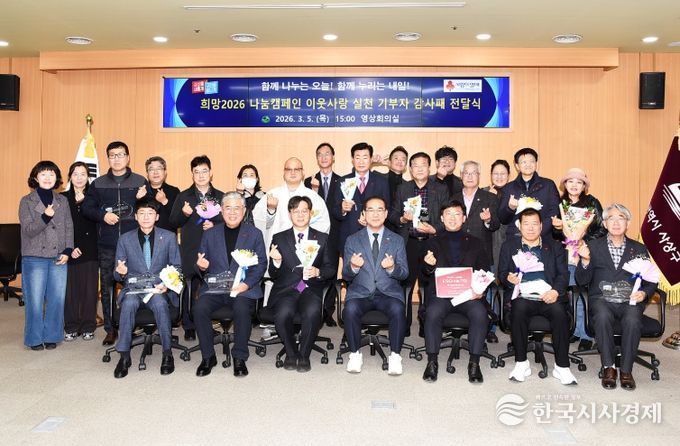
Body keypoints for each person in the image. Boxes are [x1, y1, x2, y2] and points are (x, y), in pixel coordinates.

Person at [575, 203, 657, 391]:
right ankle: (609, 367)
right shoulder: (593, 246)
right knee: (602, 315)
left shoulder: (639, 249)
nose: (616, 222)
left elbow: (651, 280)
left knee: (633, 319)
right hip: (602, 299)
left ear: (628, 223)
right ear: (604, 224)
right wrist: (585, 261)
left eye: (621, 218)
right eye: (611, 218)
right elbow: (581, 280)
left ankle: (626, 371)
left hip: (630, 300)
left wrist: (644, 293)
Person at [499, 207, 578, 385]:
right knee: (518, 308)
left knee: (559, 313)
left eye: (535, 224)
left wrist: (555, 291)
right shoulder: (509, 246)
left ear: (541, 226)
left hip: (548, 295)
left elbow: (563, 275)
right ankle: (521, 363)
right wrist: (509, 279)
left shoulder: (555, 246)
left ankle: (562, 367)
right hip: (523, 295)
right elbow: (502, 273)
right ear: (519, 226)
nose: (531, 228)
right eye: (526, 224)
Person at [193, 192, 267, 378]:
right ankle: (208, 357)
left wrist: (246, 284)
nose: (232, 212)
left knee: (242, 308)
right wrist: (201, 267)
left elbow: (261, 264)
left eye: (236, 208)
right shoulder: (210, 234)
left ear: (244, 210)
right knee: (199, 308)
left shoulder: (254, 234)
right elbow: (201, 263)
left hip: (242, 289)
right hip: (216, 289)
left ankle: (239, 357)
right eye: (228, 208)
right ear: (221, 211)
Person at [81, 141, 147, 346]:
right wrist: (103, 216)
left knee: (134, 285)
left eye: (120, 155)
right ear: (108, 158)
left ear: (128, 157)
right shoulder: (98, 183)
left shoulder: (139, 181)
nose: (116, 159)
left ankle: (132, 326)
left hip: (134, 244)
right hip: (107, 245)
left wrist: (142, 199)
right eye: (112, 155)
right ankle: (111, 329)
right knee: (108, 287)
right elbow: (86, 208)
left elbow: (150, 210)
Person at [421, 200, 491, 383]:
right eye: (448, 214)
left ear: (464, 218)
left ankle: (474, 363)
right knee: (433, 312)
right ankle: (432, 361)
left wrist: (480, 290)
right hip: (441, 295)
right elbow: (425, 274)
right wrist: (429, 266)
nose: (452, 218)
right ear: (442, 218)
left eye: (457, 214)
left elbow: (484, 270)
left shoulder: (476, 242)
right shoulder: (432, 242)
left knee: (479, 312)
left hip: (468, 295)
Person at [111, 198, 182, 378]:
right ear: (135, 216)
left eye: (150, 213)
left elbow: (177, 268)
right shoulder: (125, 239)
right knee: (128, 304)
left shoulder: (168, 237)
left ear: (157, 217)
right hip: (134, 288)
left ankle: (167, 353)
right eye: (142, 213)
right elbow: (116, 274)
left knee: (160, 304)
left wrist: (166, 285)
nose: (146, 217)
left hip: (158, 288)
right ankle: (124, 355)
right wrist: (120, 273)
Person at [267, 196, 336, 372]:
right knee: (283, 314)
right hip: (286, 289)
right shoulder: (279, 238)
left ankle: (304, 355)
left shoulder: (323, 238)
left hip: (311, 288)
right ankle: (291, 354)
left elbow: (330, 269)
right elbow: (273, 273)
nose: (300, 215)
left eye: (304, 211)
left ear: (310, 213)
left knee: (312, 312)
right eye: (295, 211)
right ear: (290, 214)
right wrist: (276, 261)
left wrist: (318, 272)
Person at [342, 196, 408, 375]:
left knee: (397, 309)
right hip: (361, 292)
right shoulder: (352, 240)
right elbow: (346, 275)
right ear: (364, 214)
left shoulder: (397, 240)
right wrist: (353, 267)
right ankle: (355, 354)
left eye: (380, 210)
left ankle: (395, 356)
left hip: (388, 293)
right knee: (350, 309)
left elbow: (404, 273)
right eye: (371, 210)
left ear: (386, 214)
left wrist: (392, 268)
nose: (375, 214)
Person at [252, 157, 330, 306]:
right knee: (281, 298)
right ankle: (276, 311)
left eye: (297, 169)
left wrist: (305, 234)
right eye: (289, 169)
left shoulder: (314, 198)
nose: (293, 172)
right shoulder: (272, 195)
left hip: (306, 260)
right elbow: (257, 222)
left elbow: (323, 225)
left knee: (305, 299)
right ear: (284, 172)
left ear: (303, 172)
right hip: (281, 256)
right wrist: (270, 211)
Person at [388, 152, 449, 336]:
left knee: (429, 285)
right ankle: (404, 324)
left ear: (429, 168)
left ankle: (426, 324)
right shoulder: (403, 188)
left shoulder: (440, 189)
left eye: (423, 165)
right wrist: (402, 218)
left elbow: (447, 216)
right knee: (404, 284)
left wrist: (434, 229)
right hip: (409, 243)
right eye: (416, 165)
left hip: (432, 243)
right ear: (410, 169)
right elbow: (392, 214)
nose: (420, 168)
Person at [19, 161, 73, 350]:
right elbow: (28, 230)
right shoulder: (27, 201)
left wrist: (68, 250)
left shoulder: (62, 200)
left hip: (59, 256)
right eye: (43, 174)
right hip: (34, 257)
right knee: (34, 301)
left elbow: (68, 227)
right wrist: (45, 216)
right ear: (35, 178)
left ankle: (52, 336)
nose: (48, 178)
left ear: (57, 178)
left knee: (57, 299)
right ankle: (34, 339)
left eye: (51, 174)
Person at [169, 155, 224, 341]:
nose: (201, 175)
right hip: (191, 248)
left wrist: (215, 225)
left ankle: (207, 325)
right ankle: (189, 326)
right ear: (192, 174)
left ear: (211, 173)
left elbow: (231, 222)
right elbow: (173, 222)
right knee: (189, 287)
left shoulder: (220, 196)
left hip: (215, 249)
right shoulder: (184, 196)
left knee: (211, 287)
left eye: (204, 171)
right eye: (196, 172)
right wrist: (184, 214)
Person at [552, 167, 606, 351]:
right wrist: (557, 228)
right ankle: (574, 328)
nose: (574, 185)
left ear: (584, 186)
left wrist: (583, 240)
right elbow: (555, 235)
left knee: (583, 294)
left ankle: (586, 335)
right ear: (565, 184)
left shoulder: (591, 202)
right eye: (570, 181)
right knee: (568, 294)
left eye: (579, 182)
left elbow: (602, 229)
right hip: (565, 255)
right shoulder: (560, 204)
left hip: (584, 254)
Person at [304, 142, 342, 326]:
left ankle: (328, 311)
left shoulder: (342, 182)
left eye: (327, 153)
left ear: (333, 157)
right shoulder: (307, 182)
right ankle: (312, 308)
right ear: (317, 158)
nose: (324, 157)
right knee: (310, 271)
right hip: (311, 236)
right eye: (320, 154)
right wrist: (314, 191)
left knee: (330, 272)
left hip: (333, 235)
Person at [62, 162, 99, 341]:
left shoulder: (95, 197)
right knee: (70, 292)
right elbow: (60, 227)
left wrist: (84, 202)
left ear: (88, 177)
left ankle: (88, 326)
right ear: (70, 176)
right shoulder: (62, 198)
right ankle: (71, 326)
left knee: (89, 290)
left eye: (83, 174)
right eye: (75, 174)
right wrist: (70, 247)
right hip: (69, 249)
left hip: (91, 247)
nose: (79, 178)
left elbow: (96, 222)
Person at [332, 142, 391, 252]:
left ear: (371, 159)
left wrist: (372, 220)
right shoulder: (343, 181)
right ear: (352, 160)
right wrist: (342, 209)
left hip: (374, 237)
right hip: (349, 237)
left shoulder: (381, 182)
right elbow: (335, 211)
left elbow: (387, 209)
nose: (361, 162)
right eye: (357, 158)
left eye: (365, 157)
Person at [498, 147, 560, 238]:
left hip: (543, 237)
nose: (528, 165)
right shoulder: (509, 188)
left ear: (536, 163)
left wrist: (538, 231)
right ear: (517, 166)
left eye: (531, 161)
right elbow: (503, 219)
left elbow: (555, 211)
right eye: (524, 162)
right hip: (516, 237)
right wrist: (510, 208)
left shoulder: (548, 185)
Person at [482, 159, 511, 343]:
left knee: (509, 287)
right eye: (495, 173)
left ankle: (509, 322)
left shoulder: (514, 194)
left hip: (509, 247)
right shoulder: (483, 192)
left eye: (503, 173)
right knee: (488, 287)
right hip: (488, 247)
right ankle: (489, 327)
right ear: (490, 175)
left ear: (509, 175)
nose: (499, 176)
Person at [144, 156, 179, 233]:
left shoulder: (174, 191)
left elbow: (178, 218)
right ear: (147, 173)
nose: (155, 172)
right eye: (151, 169)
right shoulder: (142, 191)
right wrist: (138, 198)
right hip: (145, 235)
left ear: (165, 172)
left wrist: (165, 201)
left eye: (159, 168)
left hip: (168, 236)